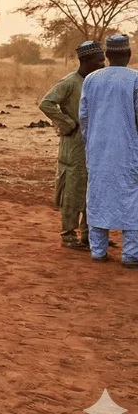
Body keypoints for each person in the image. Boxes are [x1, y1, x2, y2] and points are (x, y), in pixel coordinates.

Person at [39, 41, 105, 249]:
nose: (103, 64)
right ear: (85, 61)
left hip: (94, 144)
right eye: (99, 60)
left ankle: (88, 234)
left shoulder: (97, 82)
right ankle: (68, 235)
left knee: (91, 188)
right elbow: (46, 103)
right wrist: (67, 123)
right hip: (74, 144)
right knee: (72, 189)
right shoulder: (69, 82)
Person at [79, 34, 138, 266]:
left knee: (97, 197)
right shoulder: (135, 79)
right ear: (129, 55)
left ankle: (98, 252)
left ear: (107, 55)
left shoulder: (91, 79)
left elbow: (84, 117)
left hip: (98, 150)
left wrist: (91, 142)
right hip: (128, 151)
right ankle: (131, 255)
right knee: (131, 200)